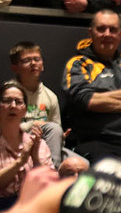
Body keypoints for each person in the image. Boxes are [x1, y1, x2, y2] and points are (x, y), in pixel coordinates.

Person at [62, 10, 121, 163]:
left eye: (113, 30)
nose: (107, 34)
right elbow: (87, 100)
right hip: (98, 141)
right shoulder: (79, 64)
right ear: (91, 32)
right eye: (101, 29)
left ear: (120, 34)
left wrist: (102, 96)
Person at [9, 44, 81, 176]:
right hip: (16, 144)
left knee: (82, 164)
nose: (33, 64)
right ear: (15, 68)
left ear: (42, 65)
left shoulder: (50, 96)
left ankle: (53, 171)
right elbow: (5, 128)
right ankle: (51, 175)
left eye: (37, 59)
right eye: (27, 60)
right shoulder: (9, 93)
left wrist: (60, 136)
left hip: (44, 145)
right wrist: (33, 124)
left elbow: (56, 129)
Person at [0, 84, 50, 205]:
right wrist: (21, 161)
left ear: (25, 111)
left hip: (32, 206)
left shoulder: (39, 144)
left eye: (18, 102)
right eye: (7, 101)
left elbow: (48, 185)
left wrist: (35, 159)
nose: (13, 105)